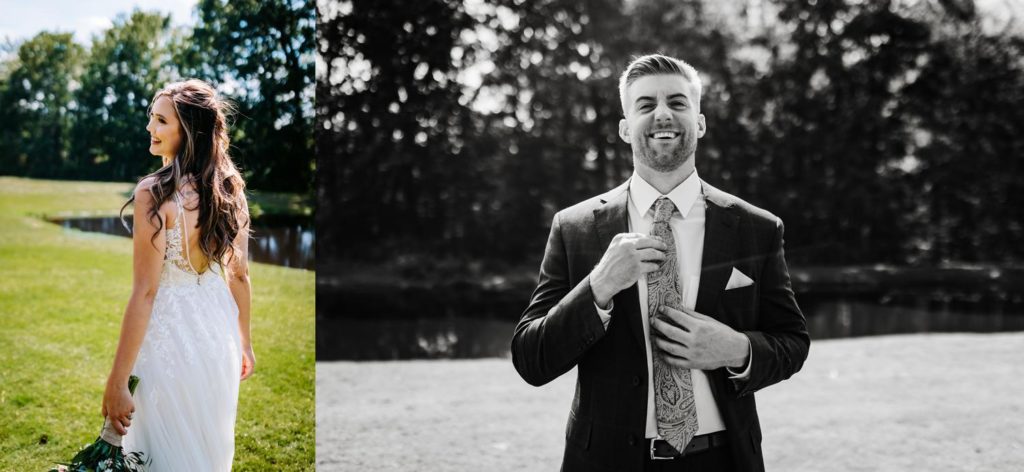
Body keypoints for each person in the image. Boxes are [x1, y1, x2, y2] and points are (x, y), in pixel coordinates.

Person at [511, 54, 810, 472]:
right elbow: (531, 359)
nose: (663, 114)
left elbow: (793, 343)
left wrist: (737, 349)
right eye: (646, 105)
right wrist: (599, 286)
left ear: (700, 122)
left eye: (677, 102)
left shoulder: (756, 228)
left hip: (723, 460)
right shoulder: (574, 227)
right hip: (608, 462)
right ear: (624, 127)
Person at [101, 79, 256, 470]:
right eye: (151, 119)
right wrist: (245, 342)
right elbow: (239, 276)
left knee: (159, 450)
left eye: (160, 121)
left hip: (169, 336)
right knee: (204, 446)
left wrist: (118, 382)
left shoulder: (153, 193)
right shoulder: (230, 189)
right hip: (216, 332)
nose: (150, 129)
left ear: (187, 131)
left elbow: (146, 292)